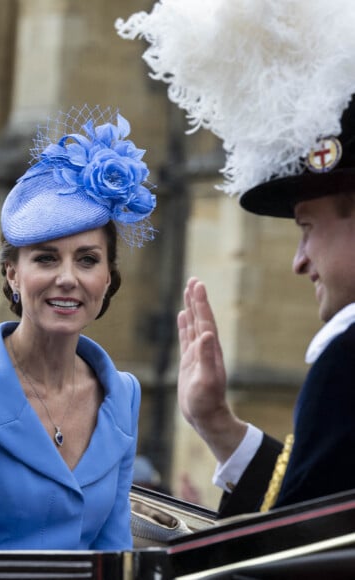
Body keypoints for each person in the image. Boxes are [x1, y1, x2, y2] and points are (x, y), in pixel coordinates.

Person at [116, 0, 355, 516]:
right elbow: (318, 501)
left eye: (308, 228)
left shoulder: (346, 360)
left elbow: (294, 548)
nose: (299, 260)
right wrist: (216, 421)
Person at [0, 104, 157, 550]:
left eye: (87, 259)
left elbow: (114, 555)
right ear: (11, 274)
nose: (68, 278)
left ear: (107, 276)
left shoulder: (122, 393)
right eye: (45, 258)